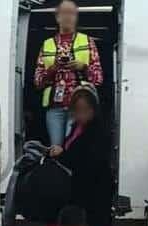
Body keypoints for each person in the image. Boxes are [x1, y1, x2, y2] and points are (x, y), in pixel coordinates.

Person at [34, 0, 103, 148]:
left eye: (72, 13)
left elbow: (98, 78)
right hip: (55, 107)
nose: (68, 17)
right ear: (57, 17)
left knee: (74, 149)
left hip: (79, 106)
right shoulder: (47, 44)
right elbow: (38, 82)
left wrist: (83, 67)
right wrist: (53, 68)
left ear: (76, 17)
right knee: (56, 150)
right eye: (64, 13)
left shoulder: (87, 41)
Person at [48, 83, 113, 226]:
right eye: (77, 111)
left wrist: (62, 154)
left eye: (85, 110)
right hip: (80, 191)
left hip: (94, 193)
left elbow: (87, 159)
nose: (81, 115)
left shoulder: (99, 131)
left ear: (94, 110)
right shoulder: (76, 128)